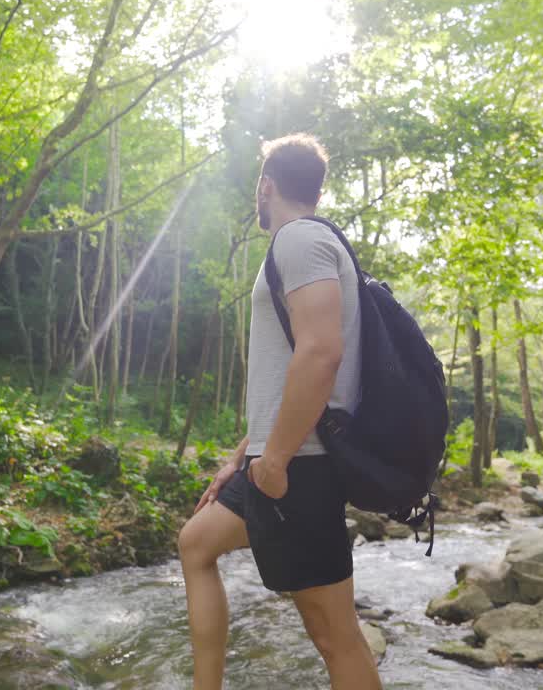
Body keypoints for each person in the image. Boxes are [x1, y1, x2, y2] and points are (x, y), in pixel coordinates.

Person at [177, 133, 381, 690]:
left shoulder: (299, 241)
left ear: (266, 187)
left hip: (299, 466)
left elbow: (321, 355)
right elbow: (291, 367)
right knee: (196, 544)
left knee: (335, 636)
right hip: (277, 459)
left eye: (258, 187)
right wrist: (244, 456)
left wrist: (276, 463)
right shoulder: (304, 244)